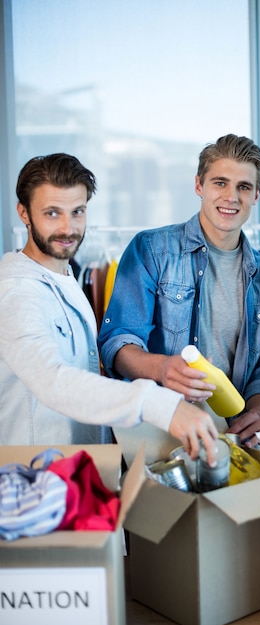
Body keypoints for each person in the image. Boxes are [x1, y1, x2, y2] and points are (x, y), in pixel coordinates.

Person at [0, 153, 218, 465]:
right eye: (52, 213)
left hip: (73, 473)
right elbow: (53, 380)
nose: (67, 228)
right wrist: (159, 405)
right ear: (24, 213)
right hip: (35, 481)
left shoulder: (63, 276)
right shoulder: (18, 294)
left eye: (77, 212)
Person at [98, 134, 260, 447]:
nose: (232, 197)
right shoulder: (151, 250)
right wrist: (162, 368)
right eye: (220, 183)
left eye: (243, 186)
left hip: (227, 440)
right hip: (156, 432)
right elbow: (116, 344)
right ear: (199, 185)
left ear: (257, 194)